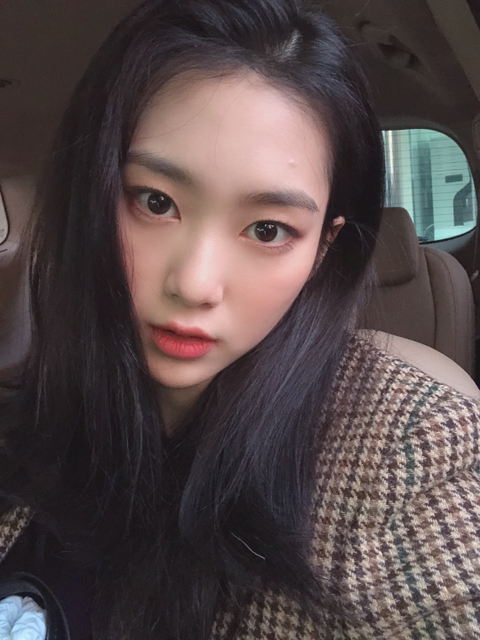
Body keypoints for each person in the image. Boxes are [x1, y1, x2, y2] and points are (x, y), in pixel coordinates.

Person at [0, 0, 479, 638]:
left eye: (268, 229)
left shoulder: (410, 454)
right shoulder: (35, 407)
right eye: (155, 201)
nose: (195, 284)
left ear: (323, 249)